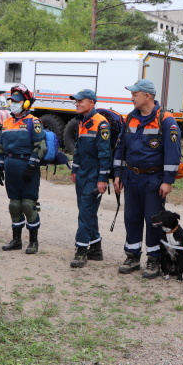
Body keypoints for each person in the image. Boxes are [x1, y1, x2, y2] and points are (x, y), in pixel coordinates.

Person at [113, 79, 182, 278]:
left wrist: (168, 180)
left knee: (154, 221)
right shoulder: (130, 118)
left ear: (147, 96)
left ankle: (154, 259)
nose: (131, 97)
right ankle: (132, 256)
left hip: (154, 179)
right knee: (131, 218)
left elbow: (173, 153)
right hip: (132, 177)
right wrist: (118, 174)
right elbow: (121, 148)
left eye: (135, 94)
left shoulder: (166, 120)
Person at [0, 84, 47, 254]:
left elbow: (41, 146)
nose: (13, 104)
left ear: (26, 104)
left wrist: (31, 166)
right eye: (11, 101)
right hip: (11, 169)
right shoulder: (7, 122)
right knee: (14, 205)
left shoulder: (34, 122)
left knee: (27, 204)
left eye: (17, 101)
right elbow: (1, 147)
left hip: (27, 169)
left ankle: (33, 242)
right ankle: (16, 240)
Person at [68, 89, 112, 268]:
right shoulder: (82, 121)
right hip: (83, 174)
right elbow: (78, 149)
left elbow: (105, 154)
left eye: (81, 101)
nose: (77, 103)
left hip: (94, 175)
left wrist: (102, 178)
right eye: (76, 101)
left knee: (85, 212)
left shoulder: (101, 123)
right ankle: (96, 249)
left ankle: (81, 250)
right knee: (87, 211)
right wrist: (75, 169)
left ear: (92, 103)